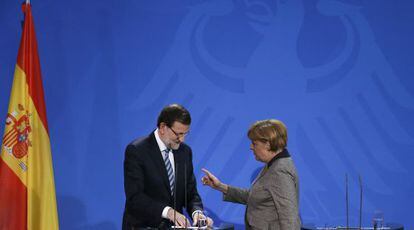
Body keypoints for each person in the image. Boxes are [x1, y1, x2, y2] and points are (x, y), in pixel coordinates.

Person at [123, 104, 213, 229]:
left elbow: (190, 192)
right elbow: (135, 197)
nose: (182, 139)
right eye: (178, 134)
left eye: (185, 134)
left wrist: (197, 212)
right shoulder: (137, 150)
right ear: (163, 127)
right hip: (143, 226)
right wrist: (168, 212)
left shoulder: (185, 152)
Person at [201, 119, 301, 230]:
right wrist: (220, 186)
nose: (251, 147)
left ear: (267, 144)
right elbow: (257, 197)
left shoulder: (279, 171)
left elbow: (289, 217)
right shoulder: (273, 165)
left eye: (254, 143)